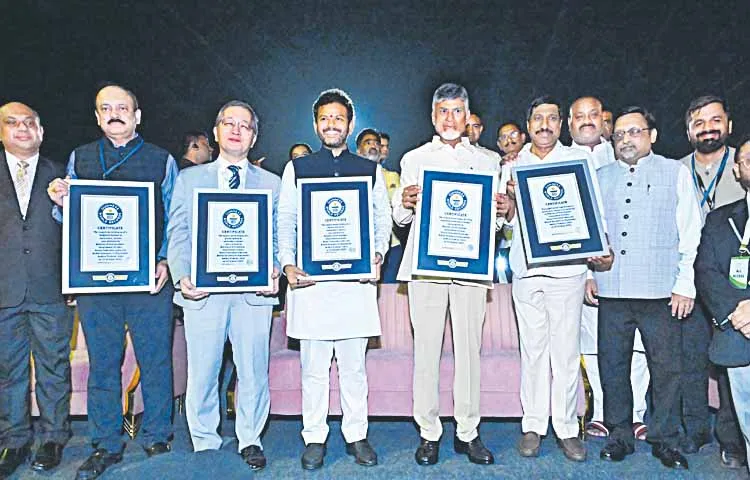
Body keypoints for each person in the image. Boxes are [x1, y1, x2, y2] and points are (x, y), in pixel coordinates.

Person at [47, 83, 177, 480]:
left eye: (123, 107)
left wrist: (167, 259)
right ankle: (105, 443)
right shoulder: (80, 158)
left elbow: (175, 217)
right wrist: (60, 201)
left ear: (138, 116)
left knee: (155, 361)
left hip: (148, 280)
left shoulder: (161, 159)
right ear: (97, 116)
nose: (115, 113)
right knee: (104, 365)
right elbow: (68, 222)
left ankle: (158, 434)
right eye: (106, 108)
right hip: (96, 285)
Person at [277, 89, 390, 470]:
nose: (331, 125)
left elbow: (381, 220)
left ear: (349, 124)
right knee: (313, 368)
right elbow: (286, 220)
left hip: (354, 286)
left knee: (354, 368)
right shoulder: (298, 168)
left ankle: (357, 435)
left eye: (338, 118)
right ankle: (314, 437)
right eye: (325, 118)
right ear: (315, 124)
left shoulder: (368, 168)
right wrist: (288, 264)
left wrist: (377, 253)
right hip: (311, 286)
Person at [167, 100, 280, 471]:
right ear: (215, 132)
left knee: (253, 370)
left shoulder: (272, 183)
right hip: (203, 293)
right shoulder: (189, 179)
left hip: (253, 294)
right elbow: (179, 232)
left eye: (244, 125)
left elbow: (280, 236)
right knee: (203, 369)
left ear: (254, 136)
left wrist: (276, 269)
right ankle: (205, 440)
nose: (236, 130)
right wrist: (183, 273)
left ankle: (250, 437)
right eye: (228, 123)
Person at [393, 83, 499, 466]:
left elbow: (497, 223)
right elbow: (401, 217)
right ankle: (429, 433)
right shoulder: (413, 159)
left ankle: (467, 432)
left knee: (470, 351)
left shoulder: (489, 161)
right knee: (427, 352)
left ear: (468, 116)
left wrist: (503, 210)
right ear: (433, 116)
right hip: (425, 270)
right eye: (443, 111)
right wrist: (403, 202)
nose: (450, 118)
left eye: (457, 111)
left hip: (471, 271)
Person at [592, 106, 702, 470]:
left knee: (667, 368)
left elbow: (691, 233)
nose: (626, 139)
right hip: (612, 290)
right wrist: (590, 274)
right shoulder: (598, 175)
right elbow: (590, 236)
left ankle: (665, 437)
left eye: (635, 132)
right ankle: (619, 434)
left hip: (661, 291)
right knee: (613, 367)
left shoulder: (676, 173)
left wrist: (685, 285)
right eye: (620, 134)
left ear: (652, 136)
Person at [505, 95, 611, 463]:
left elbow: (594, 210)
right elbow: (505, 224)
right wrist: (507, 209)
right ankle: (532, 425)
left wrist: (599, 255)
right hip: (526, 272)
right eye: (537, 119)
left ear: (562, 124)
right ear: (528, 124)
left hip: (568, 271)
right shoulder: (512, 166)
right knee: (533, 353)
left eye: (552, 118)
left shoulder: (578, 160)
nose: (544, 125)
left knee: (566, 353)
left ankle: (566, 428)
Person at [568, 96, 650, 441]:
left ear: (605, 121)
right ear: (568, 123)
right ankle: (601, 412)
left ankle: (636, 414)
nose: (587, 121)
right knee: (591, 344)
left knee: (636, 345)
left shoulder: (625, 155)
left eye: (593, 115)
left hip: (635, 269)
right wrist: (589, 273)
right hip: (583, 272)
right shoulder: (559, 161)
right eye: (579, 116)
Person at [0, 102, 74, 478]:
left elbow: (81, 233)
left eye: (30, 122)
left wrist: (78, 279)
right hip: (3, 290)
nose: (23, 128)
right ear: (1, 132)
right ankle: (13, 440)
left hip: (51, 288)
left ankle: (53, 437)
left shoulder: (63, 173)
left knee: (54, 367)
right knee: (7, 371)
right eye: (12, 123)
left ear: (41, 132)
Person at [679, 95, 746, 467]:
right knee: (689, 359)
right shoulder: (676, 169)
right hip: (689, 284)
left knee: (730, 366)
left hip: (732, 288)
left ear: (729, 125)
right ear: (689, 131)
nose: (708, 128)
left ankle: (732, 438)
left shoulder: (744, 164)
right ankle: (694, 430)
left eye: (715, 120)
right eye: (699, 123)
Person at [694, 135, 750, 476]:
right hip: (738, 333)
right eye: (747, 160)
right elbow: (706, 272)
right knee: (747, 418)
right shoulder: (720, 220)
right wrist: (739, 313)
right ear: (738, 171)